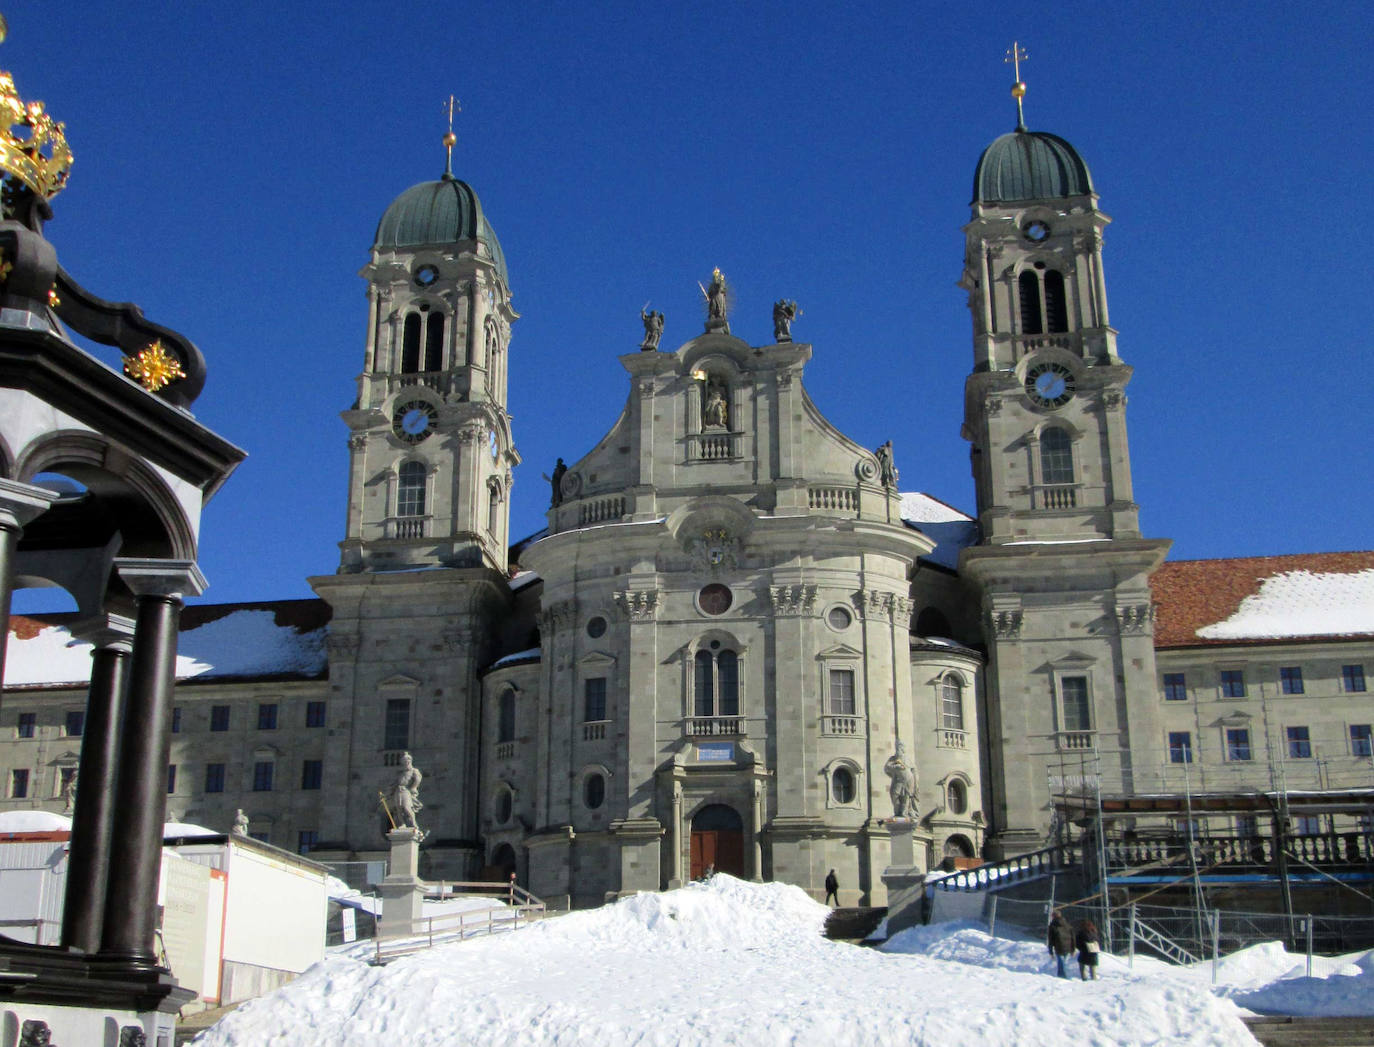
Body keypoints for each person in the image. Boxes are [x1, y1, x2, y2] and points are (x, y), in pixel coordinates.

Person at [389, 751, 424, 834]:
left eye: (406, 761)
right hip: (398, 791)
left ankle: (413, 823)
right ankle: (402, 824)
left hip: (406, 791)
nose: (405, 763)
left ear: (409, 761)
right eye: (403, 762)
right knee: (398, 809)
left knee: (407, 807)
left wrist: (413, 788)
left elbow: (417, 780)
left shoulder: (414, 771)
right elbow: (395, 783)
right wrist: (388, 792)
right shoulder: (401, 773)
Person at [1047, 909, 1074, 978]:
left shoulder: (1053, 926)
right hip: (1068, 945)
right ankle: (1063, 975)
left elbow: (1051, 939)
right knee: (1064, 962)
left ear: (1053, 916)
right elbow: (1073, 936)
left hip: (1059, 946)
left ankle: (1062, 976)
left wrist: (1050, 951)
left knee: (1061, 962)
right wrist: (1073, 948)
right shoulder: (1067, 924)